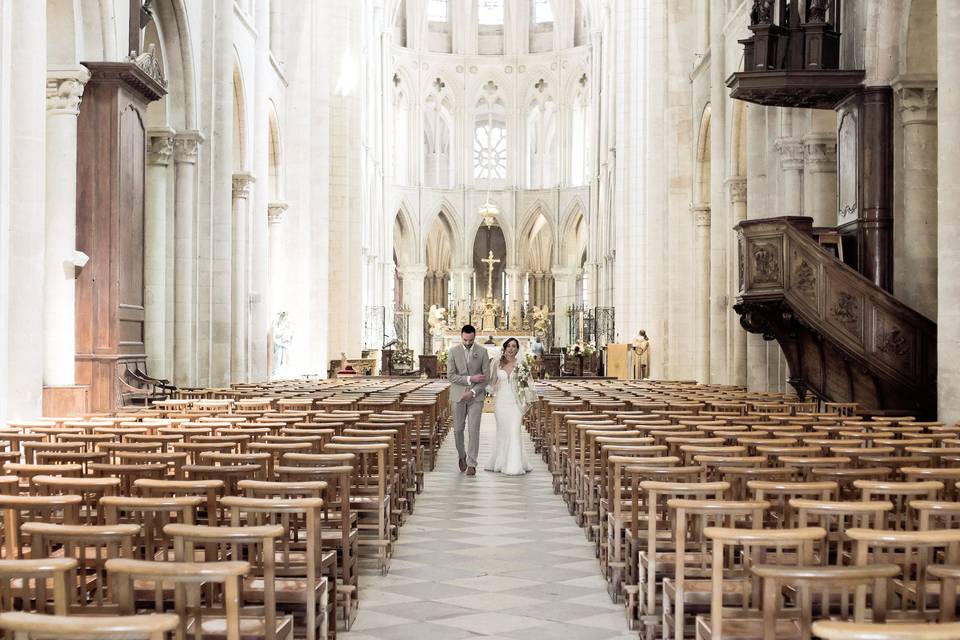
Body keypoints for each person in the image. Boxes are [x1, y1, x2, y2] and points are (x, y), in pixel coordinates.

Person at [446, 324, 491, 476]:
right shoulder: (453, 352)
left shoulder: (483, 352)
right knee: (458, 429)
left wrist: (472, 391)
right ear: (461, 336)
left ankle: (472, 463)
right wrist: (470, 378)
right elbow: (450, 376)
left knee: (473, 430)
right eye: (465, 340)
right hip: (458, 396)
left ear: (474, 337)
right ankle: (461, 455)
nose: (467, 343)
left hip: (476, 397)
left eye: (470, 340)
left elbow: (486, 378)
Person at [484, 338, 533, 476]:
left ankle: (514, 465)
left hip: (515, 403)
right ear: (504, 348)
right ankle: (500, 461)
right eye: (509, 346)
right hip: (501, 402)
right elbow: (491, 384)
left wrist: (525, 402)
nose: (511, 349)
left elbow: (526, 386)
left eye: (514, 346)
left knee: (514, 431)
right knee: (503, 432)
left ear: (517, 349)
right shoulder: (497, 363)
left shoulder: (522, 364)